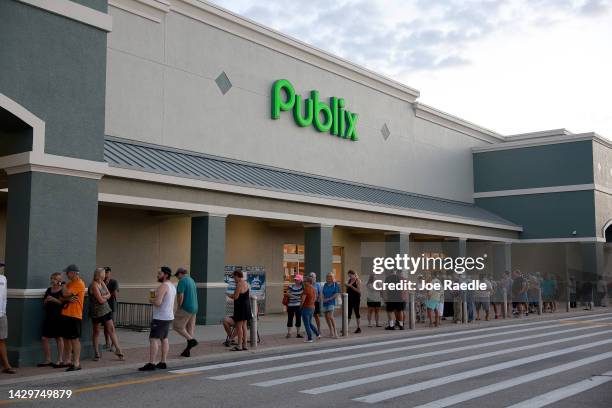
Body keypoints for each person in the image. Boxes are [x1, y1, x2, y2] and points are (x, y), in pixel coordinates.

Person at [139, 266, 176, 371]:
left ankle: (151, 363)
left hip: (160, 317)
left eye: (159, 273)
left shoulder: (163, 286)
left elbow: (158, 302)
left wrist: (151, 299)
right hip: (168, 316)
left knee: (153, 339)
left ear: (165, 275)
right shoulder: (172, 286)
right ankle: (163, 362)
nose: (157, 275)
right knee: (164, 338)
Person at [89, 268, 125, 362]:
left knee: (111, 329)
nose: (105, 275)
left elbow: (109, 294)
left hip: (106, 309)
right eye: (104, 274)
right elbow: (100, 300)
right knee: (96, 331)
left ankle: (118, 350)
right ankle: (96, 352)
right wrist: (104, 297)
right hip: (96, 311)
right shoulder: (94, 284)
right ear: (100, 274)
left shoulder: (102, 282)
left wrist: (103, 297)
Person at [60, 264, 86, 371]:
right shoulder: (70, 283)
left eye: (68, 272)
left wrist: (63, 285)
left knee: (74, 339)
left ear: (74, 273)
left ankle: (76, 363)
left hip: (75, 315)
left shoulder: (79, 283)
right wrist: (67, 298)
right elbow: (62, 297)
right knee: (66, 338)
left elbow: (65, 293)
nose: (66, 274)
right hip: (66, 313)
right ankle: (67, 360)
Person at [38, 272, 65, 368]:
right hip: (49, 316)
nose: (53, 280)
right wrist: (46, 301)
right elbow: (44, 304)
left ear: (59, 280)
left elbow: (64, 304)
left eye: (55, 279)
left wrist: (54, 300)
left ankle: (60, 359)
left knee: (58, 337)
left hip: (58, 317)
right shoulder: (49, 290)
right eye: (52, 278)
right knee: (44, 338)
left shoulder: (62, 290)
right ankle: (48, 359)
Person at [173, 267, 199, 357]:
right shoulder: (192, 280)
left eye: (177, 275)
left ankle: (192, 341)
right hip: (194, 307)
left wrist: (179, 307)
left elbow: (181, 296)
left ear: (180, 273)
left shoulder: (182, 281)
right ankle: (187, 351)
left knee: (177, 326)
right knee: (190, 330)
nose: (177, 277)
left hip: (186, 307)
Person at [227, 270, 251, 351]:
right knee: (244, 326)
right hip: (246, 306)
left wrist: (228, 295)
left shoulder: (239, 284)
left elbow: (235, 297)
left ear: (237, 276)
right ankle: (245, 345)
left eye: (234, 277)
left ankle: (239, 345)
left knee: (239, 326)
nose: (234, 279)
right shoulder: (246, 283)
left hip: (240, 307)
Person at [0, 264, 16, 374]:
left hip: (1, 314)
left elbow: (4, 296)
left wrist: (3, 311)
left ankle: (6, 366)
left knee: (2, 340)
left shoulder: (3, 278)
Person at [103, 266, 119, 352]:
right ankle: (107, 343)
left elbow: (115, 294)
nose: (105, 275)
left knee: (111, 326)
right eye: (104, 273)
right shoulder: (101, 282)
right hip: (103, 307)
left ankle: (113, 344)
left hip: (111, 306)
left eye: (107, 273)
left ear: (110, 273)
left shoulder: (114, 282)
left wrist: (108, 293)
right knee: (105, 326)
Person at [301, 276, 320, 343]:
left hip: (306, 308)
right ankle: (318, 334)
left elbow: (302, 300)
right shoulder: (313, 289)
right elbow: (315, 298)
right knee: (309, 323)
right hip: (312, 307)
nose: (303, 282)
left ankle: (310, 338)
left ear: (308, 282)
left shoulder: (306, 289)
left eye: (304, 281)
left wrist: (301, 307)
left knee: (306, 324)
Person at [322, 272, 340, 338]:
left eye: (330, 277)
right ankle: (331, 331)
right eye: (327, 277)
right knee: (326, 317)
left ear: (332, 278)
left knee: (330, 316)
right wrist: (323, 298)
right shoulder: (325, 284)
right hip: (325, 302)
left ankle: (335, 332)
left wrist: (329, 299)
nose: (328, 278)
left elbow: (336, 294)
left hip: (331, 302)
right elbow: (323, 292)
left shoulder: (335, 284)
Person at [286, 274, 304, 338]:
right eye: (295, 279)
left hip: (299, 305)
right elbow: (287, 293)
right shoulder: (291, 286)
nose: (296, 280)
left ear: (301, 280)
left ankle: (298, 333)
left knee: (298, 319)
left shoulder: (303, 287)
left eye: (297, 280)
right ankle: (289, 333)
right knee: (290, 319)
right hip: (290, 305)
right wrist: (296, 297)